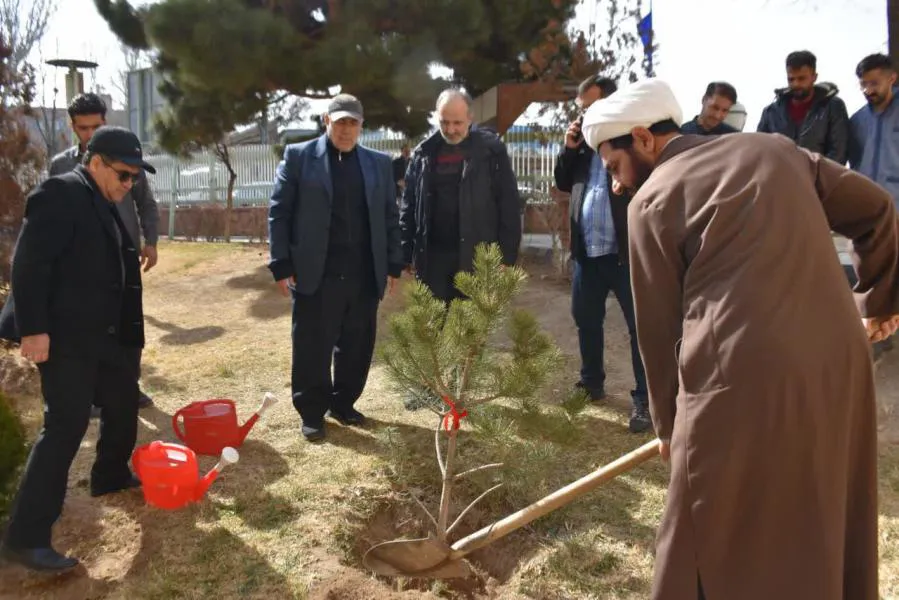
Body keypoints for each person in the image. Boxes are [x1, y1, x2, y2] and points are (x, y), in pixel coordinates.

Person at [583, 77, 899, 600]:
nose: (616, 185)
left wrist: (669, 426)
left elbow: (658, 331)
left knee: (699, 536)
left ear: (642, 138)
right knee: (820, 507)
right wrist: (880, 299)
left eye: (614, 167)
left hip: (738, 378)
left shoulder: (651, 202)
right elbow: (878, 209)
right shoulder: (776, 150)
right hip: (838, 363)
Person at [0, 126, 152, 572]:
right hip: (65, 337)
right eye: (123, 175)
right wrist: (33, 330)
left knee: (123, 402)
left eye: (135, 178)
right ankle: (25, 537)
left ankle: (109, 474)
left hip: (106, 334)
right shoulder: (59, 193)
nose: (129, 185)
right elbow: (29, 264)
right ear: (96, 162)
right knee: (65, 426)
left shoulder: (104, 198)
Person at [268, 94, 403, 442]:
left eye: (352, 123)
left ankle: (343, 403)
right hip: (316, 272)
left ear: (361, 125)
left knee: (357, 345)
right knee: (312, 345)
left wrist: (393, 263)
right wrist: (281, 263)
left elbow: (390, 217)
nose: (346, 129)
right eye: (340, 121)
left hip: (363, 272)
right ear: (326, 121)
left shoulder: (379, 164)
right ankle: (312, 412)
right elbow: (280, 212)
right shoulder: (299, 157)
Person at [49, 92, 159, 410]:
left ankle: (129, 387)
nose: (89, 134)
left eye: (95, 127)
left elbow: (146, 203)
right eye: (82, 128)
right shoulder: (60, 166)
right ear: (73, 127)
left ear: (105, 122)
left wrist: (151, 241)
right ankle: (95, 394)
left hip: (123, 255)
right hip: (82, 261)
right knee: (91, 326)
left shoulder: (126, 158)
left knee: (128, 324)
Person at [553, 74, 650, 433]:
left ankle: (645, 399)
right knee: (586, 320)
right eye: (581, 110)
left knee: (640, 328)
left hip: (626, 254)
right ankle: (591, 383)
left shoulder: (630, 140)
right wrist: (569, 147)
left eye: (590, 108)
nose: (584, 116)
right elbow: (562, 181)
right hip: (588, 253)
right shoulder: (582, 145)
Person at [400, 88, 521, 303]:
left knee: (472, 323)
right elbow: (409, 206)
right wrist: (406, 252)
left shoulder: (491, 152)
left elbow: (509, 205)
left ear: (470, 118)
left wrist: (506, 257)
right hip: (433, 261)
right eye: (444, 122)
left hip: (478, 259)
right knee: (433, 323)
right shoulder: (423, 154)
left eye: (457, 123)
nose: (450, 129)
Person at [847, 53, 899, 359]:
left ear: (892, 78)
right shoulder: (857, 121)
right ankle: (877, 338)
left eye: (874, 83)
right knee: (870, 273)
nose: (868, 90)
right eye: (863, 84)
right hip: (868, 212)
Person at [757, 50, 850, 164]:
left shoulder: (833, 107)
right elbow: (760, 149)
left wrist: (815, 173)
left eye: (801, 79)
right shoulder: (771, 112)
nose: (796, 84)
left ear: (814, 77)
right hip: (779, 174)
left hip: (818, 174)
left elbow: (839, 152)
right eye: (791, 79)